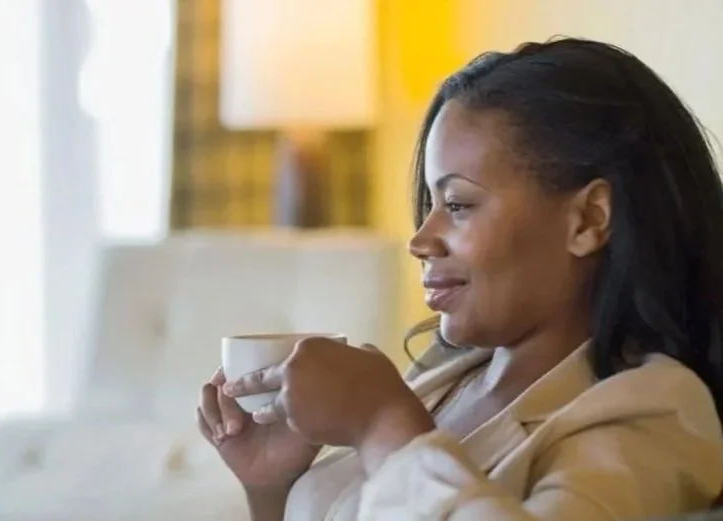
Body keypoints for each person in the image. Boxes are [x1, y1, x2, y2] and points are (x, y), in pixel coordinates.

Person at [197, 37, 723, 521]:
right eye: (430, 203)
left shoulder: (654, 411)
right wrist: (272, 486)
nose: (420, 239)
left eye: (458, 203)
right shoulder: (447, 378)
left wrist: (383, 424)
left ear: (587, 220)